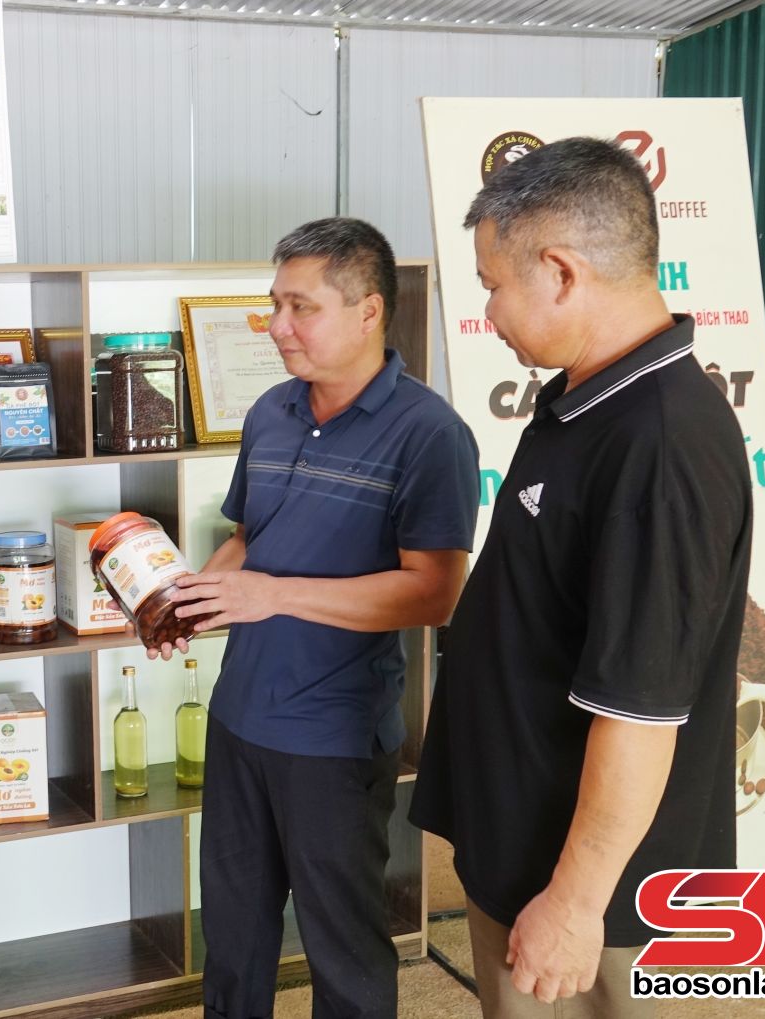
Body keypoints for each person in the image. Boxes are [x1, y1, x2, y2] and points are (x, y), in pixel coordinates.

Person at [409, 137, 753, 1018]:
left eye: (492, 284)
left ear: (561, 271)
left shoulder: (660, 446)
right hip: (524, 844)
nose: (488, 309)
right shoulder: (590, 400)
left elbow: (640, 710)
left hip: (590, 898)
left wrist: (572, 903)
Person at [160, 217, 480, 1018]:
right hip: (239, 718)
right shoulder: (269, 412)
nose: (277, 326)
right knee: (233, 940)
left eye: (301, 307)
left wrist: (272, 594)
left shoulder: (431, 434)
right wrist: (189, 600)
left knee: (344, 952)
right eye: (275, 305)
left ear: (369, 311)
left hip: (333, 738)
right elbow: (247, 540)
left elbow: (434, 592)